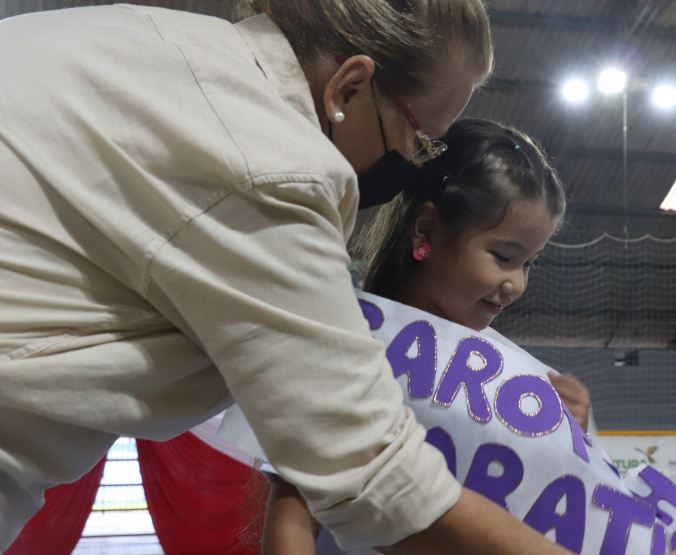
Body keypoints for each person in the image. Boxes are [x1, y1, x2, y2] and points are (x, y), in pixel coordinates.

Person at [0, 2, 590, 553]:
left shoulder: (145, 37)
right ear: (349, 87)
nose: (415, 164)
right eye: (422, 139)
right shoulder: (274, 167)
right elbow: (374, 477)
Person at [252, 118, 676, 555]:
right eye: (503, 255)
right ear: (427, 229)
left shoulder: (519, 382)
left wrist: (566, 448)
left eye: (529, 263)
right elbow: (293, 510)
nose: (517, 284)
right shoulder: (353, 346)